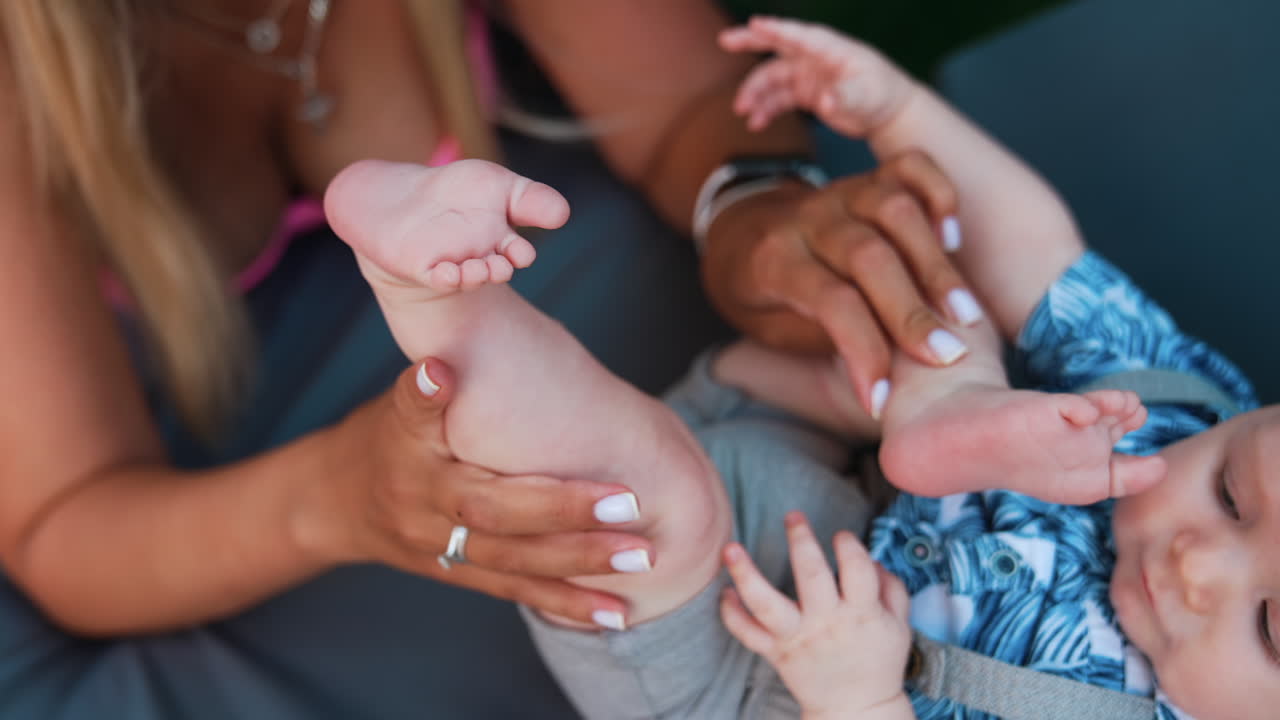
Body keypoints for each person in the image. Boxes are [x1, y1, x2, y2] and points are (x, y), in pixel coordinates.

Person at [0, 2, 986, 718]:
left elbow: (687, 103)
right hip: (237, 511)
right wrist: (345, 494)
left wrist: (753, 216)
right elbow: (67, 518)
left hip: (614, 396)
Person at [485, 16, 1258, 719]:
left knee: (642, 497)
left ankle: (448, 305)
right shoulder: (1182, 407)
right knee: (939, 286)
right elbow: (1041, 257)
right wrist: (897, 114)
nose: (1199, 559)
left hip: (751, 671)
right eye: (1229, 491)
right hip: (827, 474)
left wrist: (859, 694)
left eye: (1271, 625)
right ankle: (943, 402)